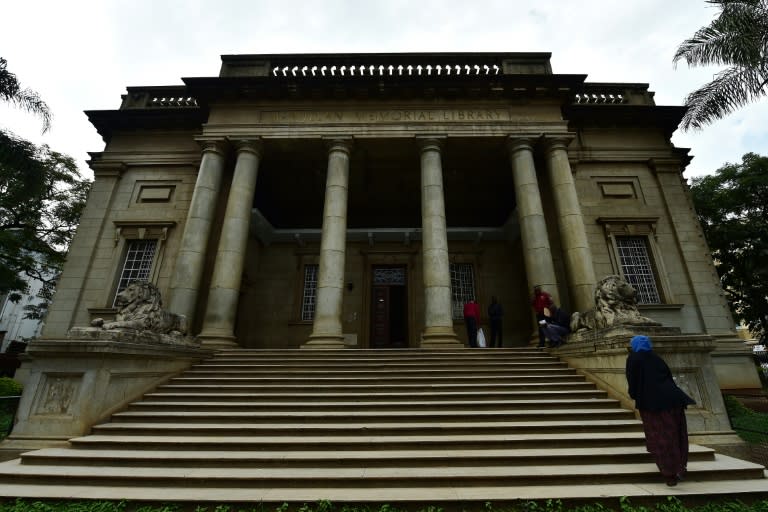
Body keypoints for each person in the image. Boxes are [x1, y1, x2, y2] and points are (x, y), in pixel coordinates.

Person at [625, 335, 695, 487]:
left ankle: (670, 473)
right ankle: (681, 467)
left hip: (652, 403)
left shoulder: (634, 358)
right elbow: (668, 378)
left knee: (660, 437)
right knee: (677, 434)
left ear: (635, 345)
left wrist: (634, 395)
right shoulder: (657, 358)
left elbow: (633, 380)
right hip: (674, 399)